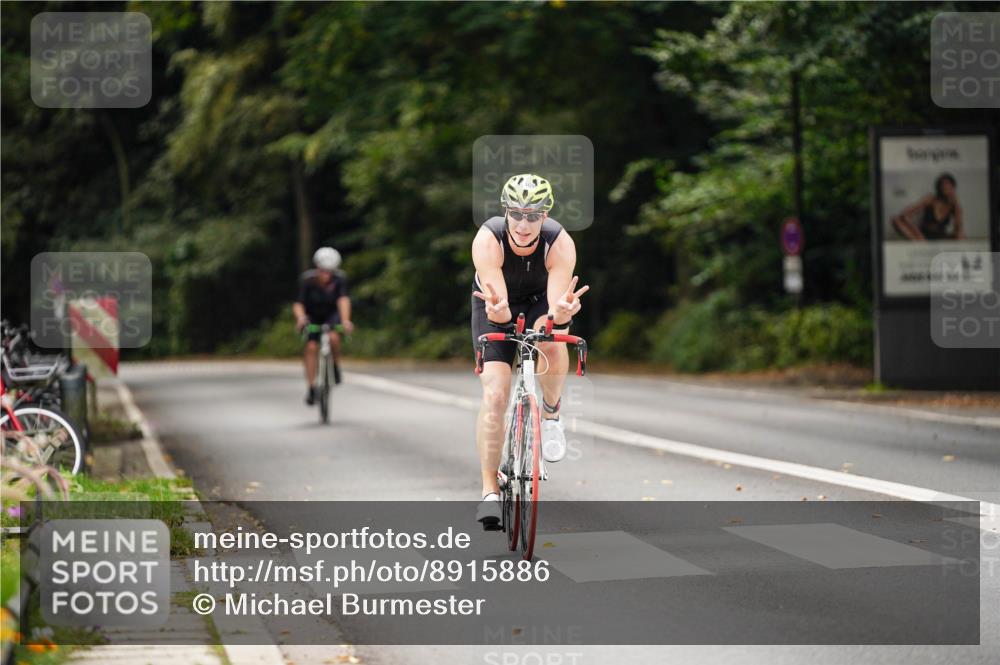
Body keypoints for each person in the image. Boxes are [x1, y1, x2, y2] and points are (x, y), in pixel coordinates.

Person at [471, 174, 589, 528]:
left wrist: (561, 314)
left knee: (552, 339)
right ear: (505, 211)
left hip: (540, 303)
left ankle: (551, 416)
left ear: (546, 215)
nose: (524, 224)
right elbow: (501, 308)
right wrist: (501, 315)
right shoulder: (488, 239)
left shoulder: (559, 243)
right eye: (517, 214)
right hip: (494, 304)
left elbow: (554, 307)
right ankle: (490, 492)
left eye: (533, 216)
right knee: (495, 394)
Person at [293, 247, 354, 405]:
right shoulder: (307, 281)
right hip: (312, 316)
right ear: (317, 268)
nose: (325, 274)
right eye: (322, 270)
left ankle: (335, 365)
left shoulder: (339, 280)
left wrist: (346, 321)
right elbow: (299, 303)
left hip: (331, 315)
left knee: (333, 336)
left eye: (329, 271)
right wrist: (300, 318)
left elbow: (343, 300)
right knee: (311, 347)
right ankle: (312, 387)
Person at [890, 173, 965, 241]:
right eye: (943, 185)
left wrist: (957, 205)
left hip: (941, 236)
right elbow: (905, 213)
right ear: (939, 187)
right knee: (896, 219)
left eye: (948, 185)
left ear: (953, 187)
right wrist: (916, 231)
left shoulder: (954, 204)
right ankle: (921, 242)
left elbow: (958, 228)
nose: (945, 187)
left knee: (961, 236)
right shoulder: (930, 199)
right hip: (923, 235)